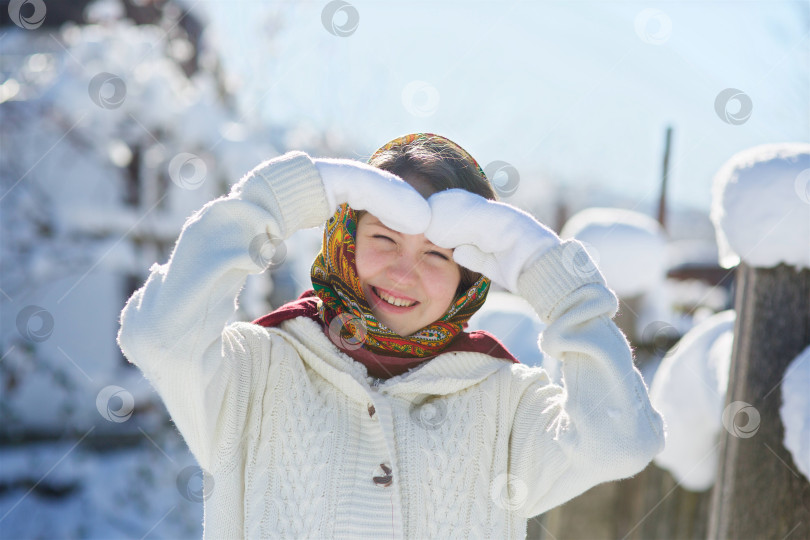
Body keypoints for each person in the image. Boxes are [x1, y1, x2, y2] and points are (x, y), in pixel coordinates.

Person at [117, 133, 664, 539]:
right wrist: (278, 200)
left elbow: (619, 444)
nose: (404, 274)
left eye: (436, 255)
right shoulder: (256, 369)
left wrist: (555, 283)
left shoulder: (508, 403)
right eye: (383, 238)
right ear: (346, 239)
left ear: (468, 278)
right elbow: (160, 338)